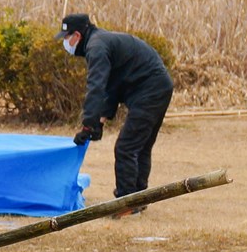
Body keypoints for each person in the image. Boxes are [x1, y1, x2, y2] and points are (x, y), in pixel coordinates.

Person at [59, 13, 175, 211]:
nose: (65, 43)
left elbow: (96, 87)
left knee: (127, 147)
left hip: (150, 90)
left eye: (66, 37)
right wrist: (99, 122)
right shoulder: (100, 41)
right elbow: (111, 88)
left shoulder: (96, 47)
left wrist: (88, 123)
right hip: (158, 86)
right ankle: (138, 199)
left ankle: (126, 204)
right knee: (140, 147)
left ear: (77, 35)